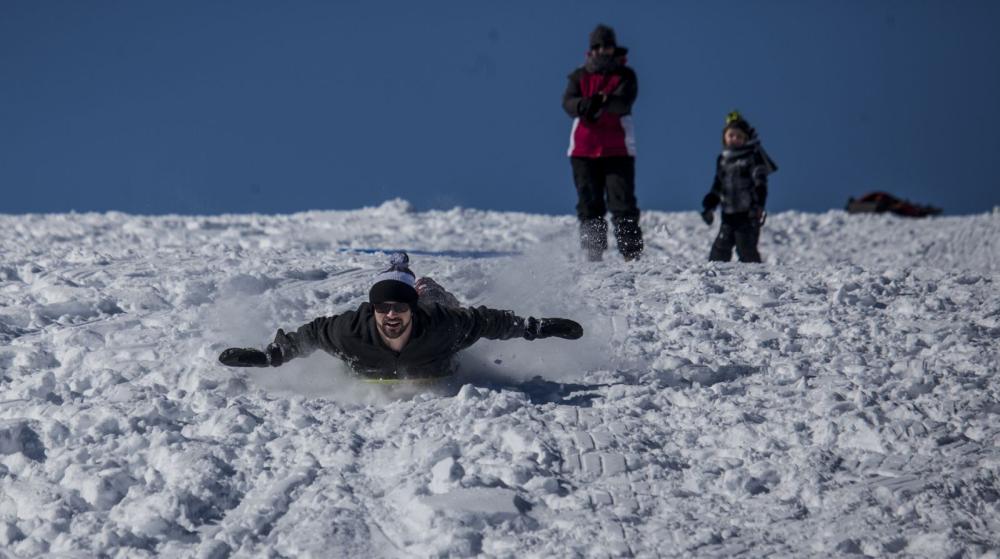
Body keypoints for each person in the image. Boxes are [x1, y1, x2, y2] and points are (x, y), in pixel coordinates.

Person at [218, 253, 583, 381]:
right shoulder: (351, 331)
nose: (391, 314)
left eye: (399, 307)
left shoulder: (441, 324)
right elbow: (312, 334)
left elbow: (487, 321)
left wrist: (536, 328)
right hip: (377, 364)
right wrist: (272, 356)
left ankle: (422, 284)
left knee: (440, 301)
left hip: (436, 337)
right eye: (383, 308)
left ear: (410, 309)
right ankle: (404, 274)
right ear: (373, 309)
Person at [562, 24, 643, 262]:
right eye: (597, 46)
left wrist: (604, 101)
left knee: (623, 203)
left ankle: (631, 253)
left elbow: (625, 102)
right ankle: (593, 252)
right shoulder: (579, 75)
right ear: (591, 49)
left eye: (606, 46)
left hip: (618, 149)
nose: (602, 51)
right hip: (583, 150)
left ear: (613, 48)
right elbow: (568, 102)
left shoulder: (625, 75)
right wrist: (583, 105)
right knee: (589, 202)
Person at [700, 111, 778, 263]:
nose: (734, 139)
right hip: (728, 214)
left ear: (745, 139)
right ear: (724, 137)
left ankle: (756, 280)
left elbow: (760, 183)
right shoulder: (723, 160)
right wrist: (710, 206)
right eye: (731, 135)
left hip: (747, 214)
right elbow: (718, 185)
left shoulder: (752, 157)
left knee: (746, 247)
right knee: (720, 248)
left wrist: (759, 205)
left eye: (739, 136)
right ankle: (715, 277)